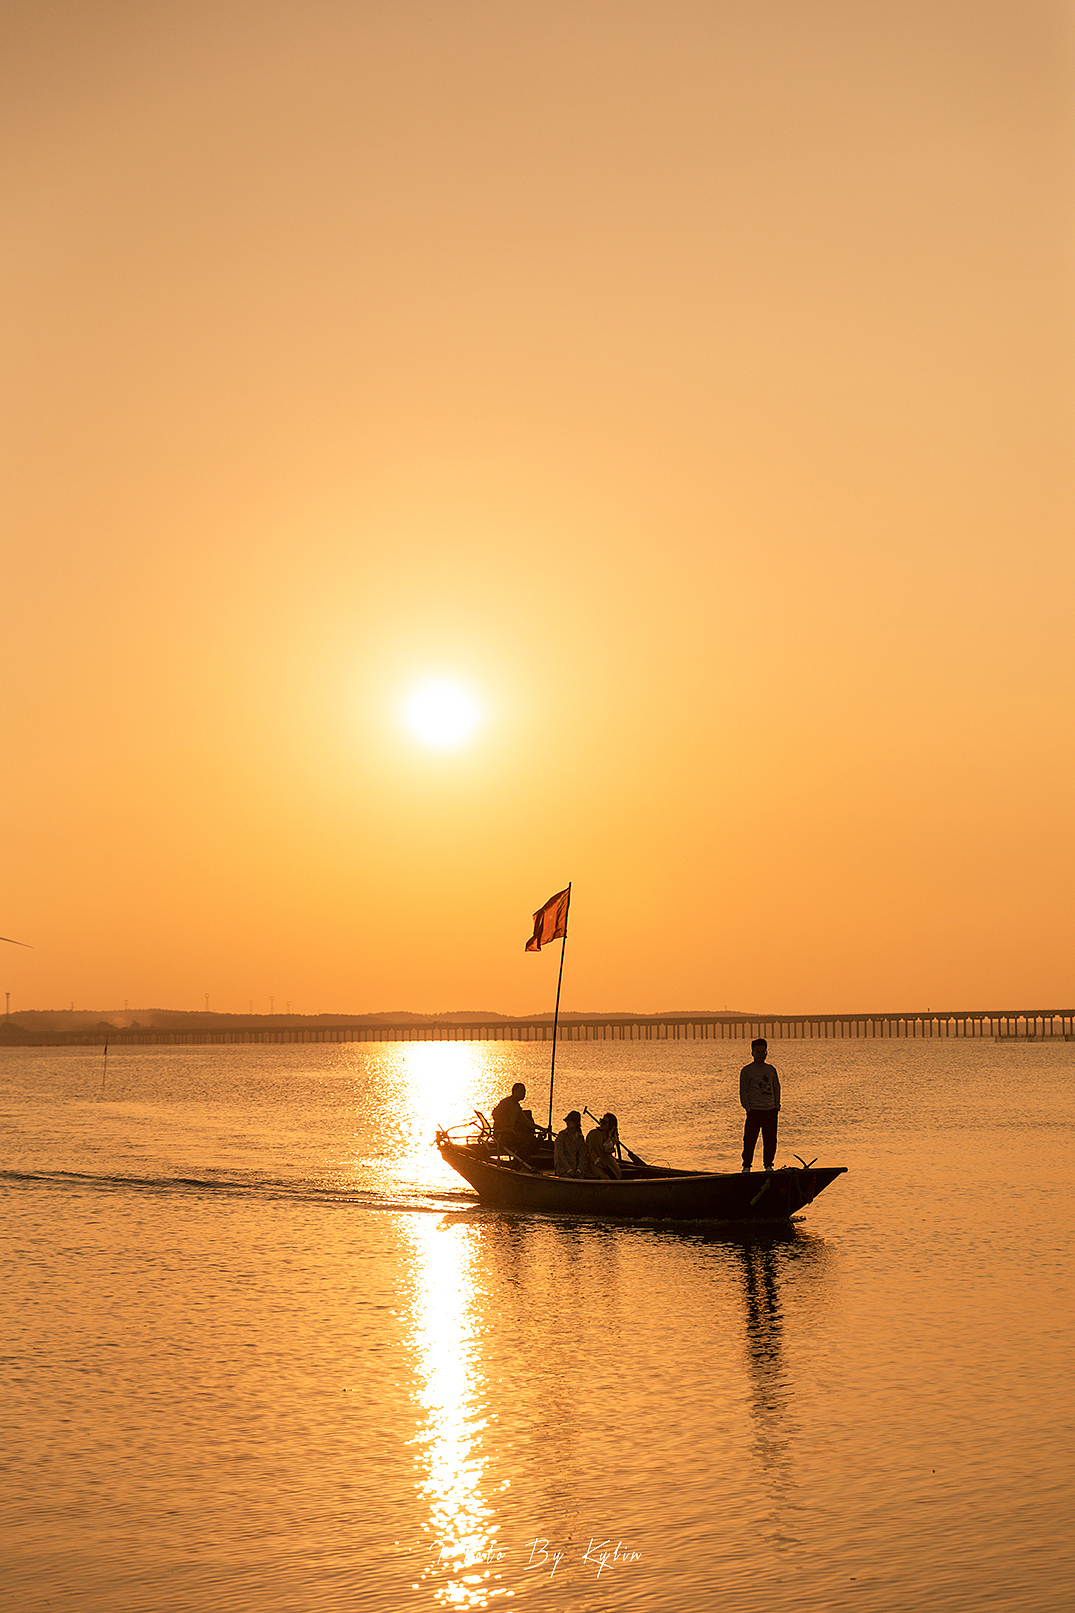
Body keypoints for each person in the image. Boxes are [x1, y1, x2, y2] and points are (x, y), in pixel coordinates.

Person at [740, 1038, 781, 1171]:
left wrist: (777, 1105)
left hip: (770, 1110)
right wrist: (748, 1108)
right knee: (749, 1140)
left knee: (770, 1140)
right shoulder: (747, 1070)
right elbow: (743, 1091)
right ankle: (746, 1166)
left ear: (766, 1053)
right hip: (754, 1110)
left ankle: (768, 1165)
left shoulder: (771, 1069)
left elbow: (776, 1087)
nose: (760, 1055)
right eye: (758, 1052)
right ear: (752, 1053)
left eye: (763, 1052)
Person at [490, 1082, 538, 1159]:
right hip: (502, 1134)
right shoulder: (506, 1102)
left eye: (524, 1091)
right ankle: (519, 1161)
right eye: (521, 1091)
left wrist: (542, 1129)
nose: (524, 1093)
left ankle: (522, 1160)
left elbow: (526, 1122)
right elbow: (495, 1114)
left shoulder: (516, 1106)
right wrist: (504, 1128)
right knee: (527, 1140)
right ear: (514, 1091)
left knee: (532, 1139)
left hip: (511, 1134)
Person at [586, 1112, 622, 1179]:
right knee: (604, 1176)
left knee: (618, 1173)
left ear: (610, 1126)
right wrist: (597, 1162)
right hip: (594, 1164)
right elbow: (590, 1151)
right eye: (601, 1121)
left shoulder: (612, 1136)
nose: (602, 1124)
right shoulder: (593, 1134)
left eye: (604, 1123)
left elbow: (608, 1149)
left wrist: (609, 1136)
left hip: (607, 1162)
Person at [553, 1110, 587, 1178]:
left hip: (576, 1170)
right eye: (567, 1121)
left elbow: (583, 1156)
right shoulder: (562, 1136)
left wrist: (579, 1170)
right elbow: (559, 1155)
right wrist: (568, 1169)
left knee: (580, 1178)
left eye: (570, 1121)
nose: (568, 1122)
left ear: (576, 1123)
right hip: (563, 1170)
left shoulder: (580, 1138)